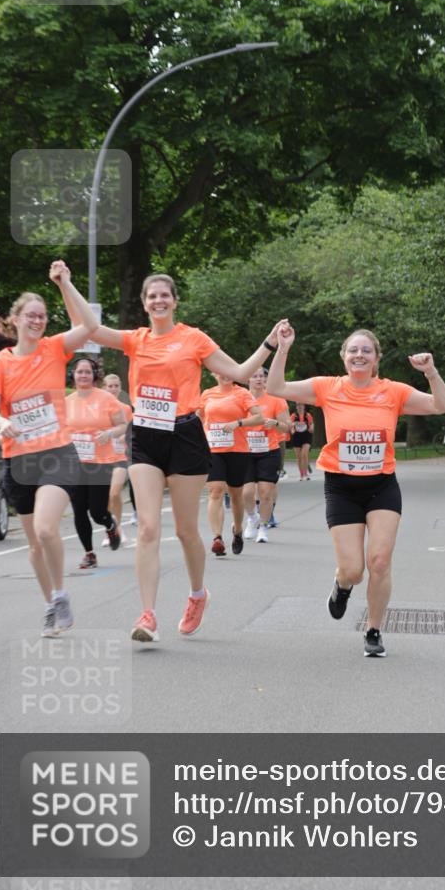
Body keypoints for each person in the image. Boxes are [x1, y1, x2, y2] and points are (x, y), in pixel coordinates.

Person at [66, 272, 288, 643]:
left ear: (175, 300)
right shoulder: (135, 340)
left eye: (164, 295)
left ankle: (198, 594)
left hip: (185, 435)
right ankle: (148, 614)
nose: (158, 300)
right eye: (151, 295)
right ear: (143, 302)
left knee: (186, 531)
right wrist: (64, 283)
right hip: (145, 436)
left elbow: (238, 372)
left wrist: (271, 343)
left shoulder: (193, 338)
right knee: (149, 527)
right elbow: (88, 328)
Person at [267, 325, 445, 658]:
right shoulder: (327, 388)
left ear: (376, 359)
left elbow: (442, 405)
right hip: (341, 487)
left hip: (381, 486)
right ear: (344, 356)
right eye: (353, 350)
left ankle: (373, 629)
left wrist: (431, 372)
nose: (359, 355)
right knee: (354, 570)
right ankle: (342, 586)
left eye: (366, 350)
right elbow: (276, 386)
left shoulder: (392, 391)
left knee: (380, 562)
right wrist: (282, 348)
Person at [0, 262, 99, 636]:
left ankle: (61, 594)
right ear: (15, 320)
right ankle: (50, 603)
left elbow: (90, 327)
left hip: (57, 453)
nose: (38, 321)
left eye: (43, 316)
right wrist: (2, 424)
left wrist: (65, 282)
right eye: (31, 316)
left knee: (48, 530)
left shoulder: (54, 349)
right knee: (34, 543)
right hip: (20, 457)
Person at [66, 359, 128, 568]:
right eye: (79, 372)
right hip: (75, 464)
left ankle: (110, 524)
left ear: (94, 375)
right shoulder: (67, 401)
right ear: (73, 374)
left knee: (97, 511)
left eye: (87, 372)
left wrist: (109, 433)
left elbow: (122, 425)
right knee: (79, 509)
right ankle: (89, 553)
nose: (83, 375)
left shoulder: (107, 399)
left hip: (100, 462)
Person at [198, 373, 262, 556]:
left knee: (235, 495)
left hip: (237, 450)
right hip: (213, 450)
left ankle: (238, 530)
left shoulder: (242, 393)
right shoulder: (207, 394)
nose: (225, 375)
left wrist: (238, 423)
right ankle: (217, 538)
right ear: (214, 374)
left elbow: (258, 417)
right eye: (221, 372)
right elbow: (198, 417)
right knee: (215, 491)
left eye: (229, 372)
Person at [241, 367, 290, 543]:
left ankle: (263, 527)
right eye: (254, 376)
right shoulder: (240, 398)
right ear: (248, 379)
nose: (259, 379)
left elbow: (287, 426)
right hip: (245, 451)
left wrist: (275, 423)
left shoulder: (276, 399)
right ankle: (252, 517)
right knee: (246, 493)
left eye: (261, 376)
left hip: (269, 451)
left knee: (265, 492)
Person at [101, 373, 136, 538]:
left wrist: (122, 435)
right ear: (104, 388)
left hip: (121, 456)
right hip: (101, 458)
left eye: (116, 386)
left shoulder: (126, 408)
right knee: (107, 495)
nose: (113, 389)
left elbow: (131, 430)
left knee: (115, 493)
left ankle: (118, 527)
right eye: (110, 386)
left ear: (120, 388)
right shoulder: (97, 407)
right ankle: (112, 528)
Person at [290, 402, 314, 480]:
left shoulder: (308, 415)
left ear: (304, 406)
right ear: (296, 407)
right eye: (298, 405)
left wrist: (311, 428)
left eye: (301, 405)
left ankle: (305, 474)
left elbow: (311, 424)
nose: (299, 407)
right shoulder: (294, 416)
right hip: (297, 436)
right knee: (299, 457)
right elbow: (291, 425)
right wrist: (292, 429)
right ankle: (301, 474)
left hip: (306, 436)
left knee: (304, 454)